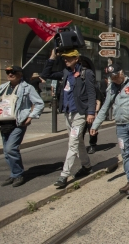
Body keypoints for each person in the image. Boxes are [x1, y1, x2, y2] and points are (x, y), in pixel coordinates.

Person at [41, 49, 97, 189]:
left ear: (76, 58)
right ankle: (87, 166)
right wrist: (52, 57)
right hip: (67, 112)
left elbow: (91, 93)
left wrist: (91, 112)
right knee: (77, 142)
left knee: (72, 143)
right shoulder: (65, 72)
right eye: (65, 57)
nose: (66, 60)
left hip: (79, 113)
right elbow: (45, 74)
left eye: (69, 58)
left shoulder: (86, 73)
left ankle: (64, 175)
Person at [91, 63, 129, 197]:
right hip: (120, 125)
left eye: (115, 76)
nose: (114, 79)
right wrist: (95, 125)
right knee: (125, 153)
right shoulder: (111, 89)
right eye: (111, 77)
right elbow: (105, 107)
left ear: (121, 72)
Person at [0, 66, 44, 187]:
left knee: (11, 149)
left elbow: (39, 103)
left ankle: (19, 174)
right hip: (3, 122)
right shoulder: (3, 87)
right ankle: (14, 174)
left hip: (18, 123)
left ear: (20, 74)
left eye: (13, 72)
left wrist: (30, 117)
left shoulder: (27, 88)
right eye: (8, 72)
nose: (10, 74)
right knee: (6, 152)